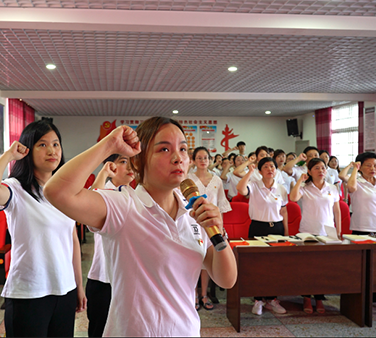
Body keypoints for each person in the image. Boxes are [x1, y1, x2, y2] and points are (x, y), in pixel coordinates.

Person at [43, 117, 237, 336]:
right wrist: (109, 145)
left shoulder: (194, 213)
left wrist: (218, 233)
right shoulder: (123, 206)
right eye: (164, 149)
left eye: (183, 149)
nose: (178, 158)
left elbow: (226, 279)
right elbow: (56, 191)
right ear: (137, 162)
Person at [0, 120, 87, 337]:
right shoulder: (15, 189)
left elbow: (72, 240)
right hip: (28, 293)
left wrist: (78, 285)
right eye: (42, 145)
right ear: (27, 150)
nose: (52, 151)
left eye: (56, 144)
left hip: (64, 290)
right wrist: (9, 155)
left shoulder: (63, 192)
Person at [87, 154, 135, 337]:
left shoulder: (133, 195)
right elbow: (89, 204)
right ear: (110, 166)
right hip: (103, 277)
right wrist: (103, 173)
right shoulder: (104, 191)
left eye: (132, 162)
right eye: (123, 162)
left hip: (126, 277)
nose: (130, 166)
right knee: (99, 329)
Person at [236, 158, 288, 316]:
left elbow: (284, 211)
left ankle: (272, 299)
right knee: (257, 265)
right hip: (258, 227)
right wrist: (250, 172)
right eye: (265, 167)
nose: (269, 169)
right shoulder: (254, 185)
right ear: (260, 171)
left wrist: (286, 232)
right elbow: (240, 189)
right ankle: (258, 300)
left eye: (272, 166)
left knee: (275, 265)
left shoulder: (281, 188)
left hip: (277, 228)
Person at [340, 152, 376, 310]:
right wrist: (353, 169)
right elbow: (349, 185)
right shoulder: (356, 181)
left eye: (375, 165)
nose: (372, 168)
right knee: (360, 266)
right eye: (368, 165)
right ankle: (358, 295)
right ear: (360, 166)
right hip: (362, 227)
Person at [290, 158, 341, 314]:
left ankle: (319, 298)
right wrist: (300, 180)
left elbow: (337, 210)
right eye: (317, 168)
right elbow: (293, 198)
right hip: (308, 232)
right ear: (310, 171)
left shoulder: (332, 187)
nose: (321, 171)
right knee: (307, 268)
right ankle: (306, 297)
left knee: (322, 269)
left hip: (327, 233)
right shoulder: (305, 188)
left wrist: (338, 231)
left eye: (323, 168)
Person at [188, 147, 232, 311]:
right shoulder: (188, 179)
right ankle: (192, 295)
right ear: (193, 160)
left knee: (208, 260)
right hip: (193, 224)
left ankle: (204, 295)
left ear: (210, 160)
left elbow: (221, 205)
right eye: (199, 158)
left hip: (212, 226)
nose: (203, 160)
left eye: (205, 157)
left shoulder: (217, 180)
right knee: (193, 259)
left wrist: (221, 229)